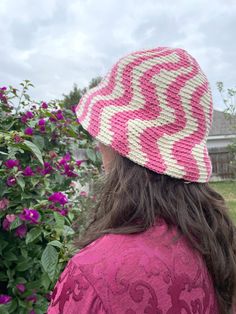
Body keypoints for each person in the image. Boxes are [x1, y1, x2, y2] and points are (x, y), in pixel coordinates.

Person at [47, 47, 236, 314]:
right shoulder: (217, 238)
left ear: (119, 144)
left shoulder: (94, 274)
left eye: (102, 132)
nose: (98, 143)